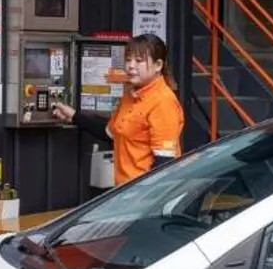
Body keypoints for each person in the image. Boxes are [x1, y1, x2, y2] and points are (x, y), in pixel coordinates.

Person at [51, 33, 184, 184]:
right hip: (124, 190)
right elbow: (111, 132)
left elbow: (164, 163)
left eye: (139, 61)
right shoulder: (130, 95)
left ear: (158, 65)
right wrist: (75, 116)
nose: (131, 66)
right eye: (128, 60)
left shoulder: (163, 101)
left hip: (146, 194)